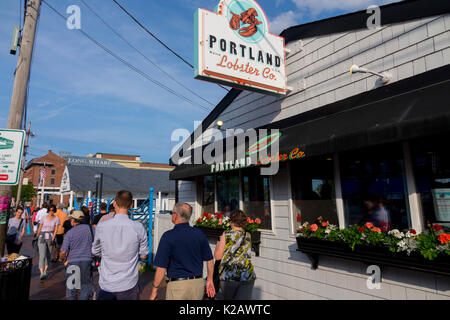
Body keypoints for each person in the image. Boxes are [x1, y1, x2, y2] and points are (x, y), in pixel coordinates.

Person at [150, 203, 215, 300]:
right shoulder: (199, 233)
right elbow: (209, 259)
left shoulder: (168, 236)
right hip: (197, 285)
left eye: (172, 212)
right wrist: (209, 279)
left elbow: (161, 268)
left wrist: (154, 290)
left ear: (175, 215)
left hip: (177, 287)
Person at [92, 190, 149, 300]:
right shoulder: (138, 227)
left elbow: (95, 251)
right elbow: (144, 255)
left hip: (107, 283)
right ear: (131, 205)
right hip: (129, 283)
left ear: (114, 203)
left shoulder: (102, 226)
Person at [214, 210, 256, 300]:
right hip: (247, 275)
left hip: (229, 276)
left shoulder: (226, 234)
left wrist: (218, 241)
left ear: (231, 221)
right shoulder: (248, 235)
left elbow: (218, 256)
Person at [60, 210, 94, 300]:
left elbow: (63, 252)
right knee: (85, 287)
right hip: (87, 261)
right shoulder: (92, 229)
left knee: (71, 289)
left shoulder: (70, 233)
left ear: (74, 221)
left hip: (72, 262)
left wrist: (62, 259)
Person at [35, 204, 60, 280]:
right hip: (42, 236)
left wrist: (53, 237)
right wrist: (37, 236)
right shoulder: (43, 217)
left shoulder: (57, 218)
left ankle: (45, 270)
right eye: (50, 210)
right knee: (42, 255)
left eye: (52, 210)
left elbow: (56, 229)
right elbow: (40, 227)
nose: (51, 212)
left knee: (48, 255)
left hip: (50, 236)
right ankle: (41, 272)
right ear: (48, 210)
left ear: (54, 210)